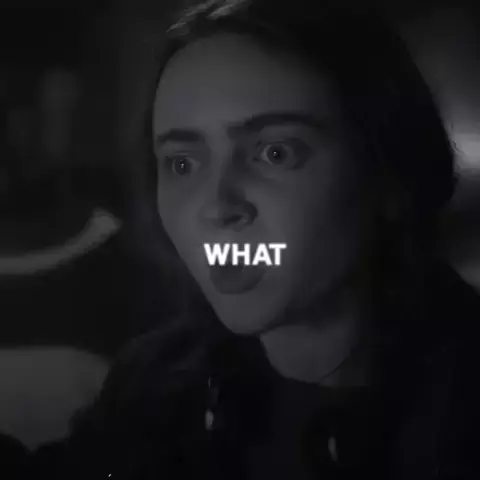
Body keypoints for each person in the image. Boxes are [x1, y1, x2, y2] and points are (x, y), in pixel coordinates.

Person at [27, 0, 480, 479]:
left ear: (386, 174)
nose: (218, 207)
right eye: (182, 163)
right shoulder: (153, 388)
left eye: (275, 153)